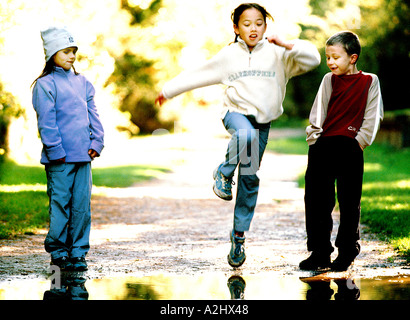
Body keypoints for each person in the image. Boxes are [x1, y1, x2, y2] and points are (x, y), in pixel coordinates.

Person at [156, 3, 320, 267]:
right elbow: (200, 74)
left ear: (266, 26)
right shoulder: (229, 55)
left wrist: (288, 43)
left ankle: (239, 237)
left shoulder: (280, 54)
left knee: (250, 178)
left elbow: (313, 59)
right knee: (245, 136)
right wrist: (169, 90)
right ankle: (223, 172)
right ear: (236, 28)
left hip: (263, 123)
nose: (253, 28)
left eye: (258, 23)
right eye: (246, 24)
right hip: (235, 114)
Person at [300, 31, 384, 271]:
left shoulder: (370, 81)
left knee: (349, 202)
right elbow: (319, 110)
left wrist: (360, 141)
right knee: (316, 201)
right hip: (323, 146)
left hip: (350, 147)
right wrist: (314, 139)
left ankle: (347, 251)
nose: (331, 62)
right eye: (328, 57)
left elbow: (373, 114)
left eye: (336, 57)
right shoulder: (329, 79)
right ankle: (319, 252)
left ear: (353, 57)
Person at [32, 26, 104, 271]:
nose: (72, 56)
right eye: (65, 52)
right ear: (52, 54)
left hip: (84, 156)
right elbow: (46, 121)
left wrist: (97, 142)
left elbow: (93, 114)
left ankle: (78, 251)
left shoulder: (83, 82)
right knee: (60, 204)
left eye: (73, 51)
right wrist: (55, 150)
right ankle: (59, 251)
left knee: (82, 207)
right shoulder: (45, 84)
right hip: (60, 159)